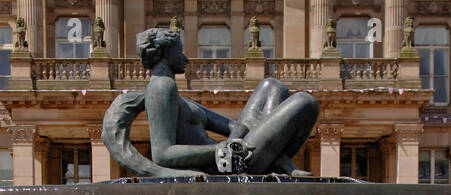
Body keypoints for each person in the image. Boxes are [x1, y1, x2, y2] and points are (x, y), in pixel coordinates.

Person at [108, 26, 318, 177]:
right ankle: (276, 163)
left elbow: (236, 126)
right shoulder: (161, 87)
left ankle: (275, 161)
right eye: (179, 50)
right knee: (305, 102)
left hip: (235, 154)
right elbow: (163, 155)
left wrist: (231, 145)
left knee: (273, 85)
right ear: (165, 52)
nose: (185, 57)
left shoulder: (178, 95)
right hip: (222, 165)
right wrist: (218, 151)